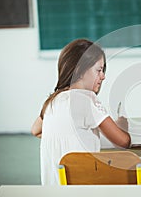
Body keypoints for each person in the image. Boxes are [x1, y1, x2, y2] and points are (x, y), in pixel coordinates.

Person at [31, 39, 130, 185]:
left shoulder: (52, 101)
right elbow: (123, 142)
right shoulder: (86, 100)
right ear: (80, 70)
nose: (103, 76)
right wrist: (121, 125)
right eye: (99, 70)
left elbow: (36, 130)